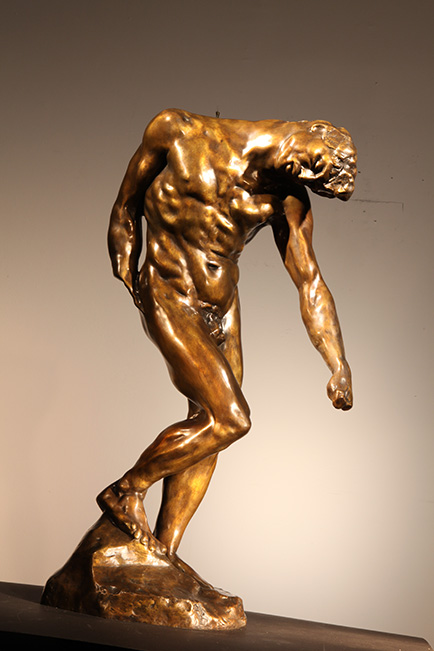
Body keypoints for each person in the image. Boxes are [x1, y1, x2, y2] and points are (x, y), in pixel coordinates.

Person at [98, 108, 357, 575]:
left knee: (209, 432)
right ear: (312, 127)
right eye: (314, 161)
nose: (303, 173)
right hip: (169, 290)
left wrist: (337, 362)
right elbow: (126, 204)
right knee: (230, 418)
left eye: (314, 178)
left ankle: (164, 553)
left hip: (223, 308)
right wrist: (125, 255)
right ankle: (127, 489)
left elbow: (310, 282)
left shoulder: (288, 200)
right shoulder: (177, 130)